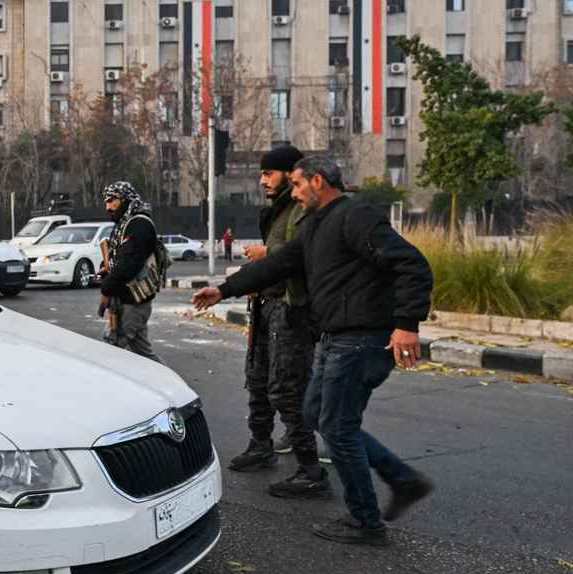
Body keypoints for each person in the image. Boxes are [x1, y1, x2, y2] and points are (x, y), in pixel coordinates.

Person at [193, 156, 434, 546]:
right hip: (334, 337)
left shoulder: (355, 217)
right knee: (316, 414)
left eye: (298, 184)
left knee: (337, 427)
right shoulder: (314, 226)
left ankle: (366, 521)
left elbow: (413, 265)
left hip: (360, 339)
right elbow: (277, 264)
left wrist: (407, 324)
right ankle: (403, 479)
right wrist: (224, 290)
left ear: (318, 181)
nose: (294, 193)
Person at [228, 144, 328, 498]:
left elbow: (303, 255)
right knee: (256, 379)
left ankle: (310, 470)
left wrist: (265, 254)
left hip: (290, 309)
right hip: (266, 306)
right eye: (262, 173)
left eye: (268, 173)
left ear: (290, 173)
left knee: (286, 388)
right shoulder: (279, 210)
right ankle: (261, 445)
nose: (262, 180)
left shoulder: (302, 209)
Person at [97, 181, 163, 362]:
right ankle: (164, 379)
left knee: (112, 349)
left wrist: (106, 287)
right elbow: (119, 257)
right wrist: (106, 269)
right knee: (143, 355)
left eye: (112, 200)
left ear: (125, 199)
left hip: (133, 302)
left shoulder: (139, 224)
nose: (108, 207)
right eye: (106, 201)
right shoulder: (125, 223)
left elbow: (129, 265)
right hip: (128, 301)